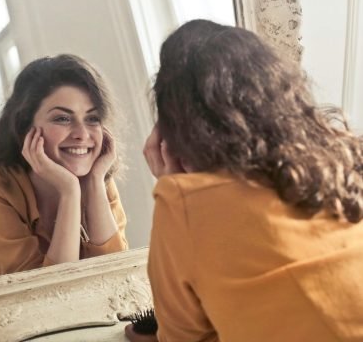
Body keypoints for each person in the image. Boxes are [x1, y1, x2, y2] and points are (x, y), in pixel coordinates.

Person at [136, 19, 363, 341]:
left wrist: (172, 186)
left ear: (175, 132)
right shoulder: (342, 159)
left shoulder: (185, 204)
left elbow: (182, 338)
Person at [0, 54, 128, 280]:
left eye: (92, 118)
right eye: (62, 119)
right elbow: (44, 293)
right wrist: (69, 192)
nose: (82, 134)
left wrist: (95, 184)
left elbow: (118, 277)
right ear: (25, 128)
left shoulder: (97, 179)